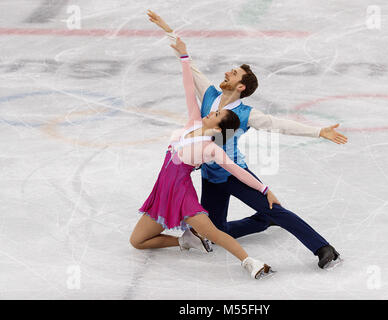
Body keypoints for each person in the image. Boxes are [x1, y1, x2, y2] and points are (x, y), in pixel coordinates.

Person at [147, 10, 348, 269]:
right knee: (216, 232)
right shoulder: (209, 94)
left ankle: (323, 247)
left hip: (235, 173)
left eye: (233, 74)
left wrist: (319, 131)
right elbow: (189, 66)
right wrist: (168, 30)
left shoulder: (246, 113)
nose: (227, 73)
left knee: (276, 208)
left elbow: (280, 125)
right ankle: (262, 221)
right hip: (211, 176)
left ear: (241, 86)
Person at [129, 36, 277, 279]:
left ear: (219, 128)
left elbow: (238, 172)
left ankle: (251, 262)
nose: (212, 111)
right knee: (137, 241)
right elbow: (189, 87)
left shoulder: (211, 149)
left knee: (215, 234)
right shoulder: (192, 122)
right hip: (161, 192)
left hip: (181, 194)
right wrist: (184, 56)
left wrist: (264, 189)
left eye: (217, 113)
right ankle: (186, 242)